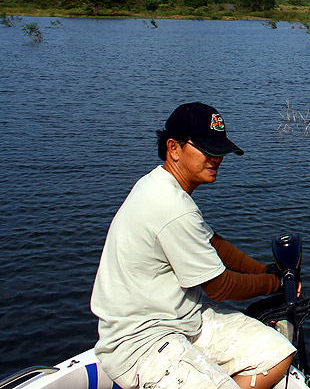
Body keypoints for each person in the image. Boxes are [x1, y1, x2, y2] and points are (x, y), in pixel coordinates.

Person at [91, 102, 296, 389]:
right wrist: (276, 284)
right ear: (173, 148)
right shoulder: (170, 205)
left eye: (220, 150)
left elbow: (214, 244)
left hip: (185, 319)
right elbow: (220, 287)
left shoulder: (161, 185)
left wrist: (265, 270)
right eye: (207, 149)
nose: (217, 158)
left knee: (278, 353)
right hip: (143, 341)